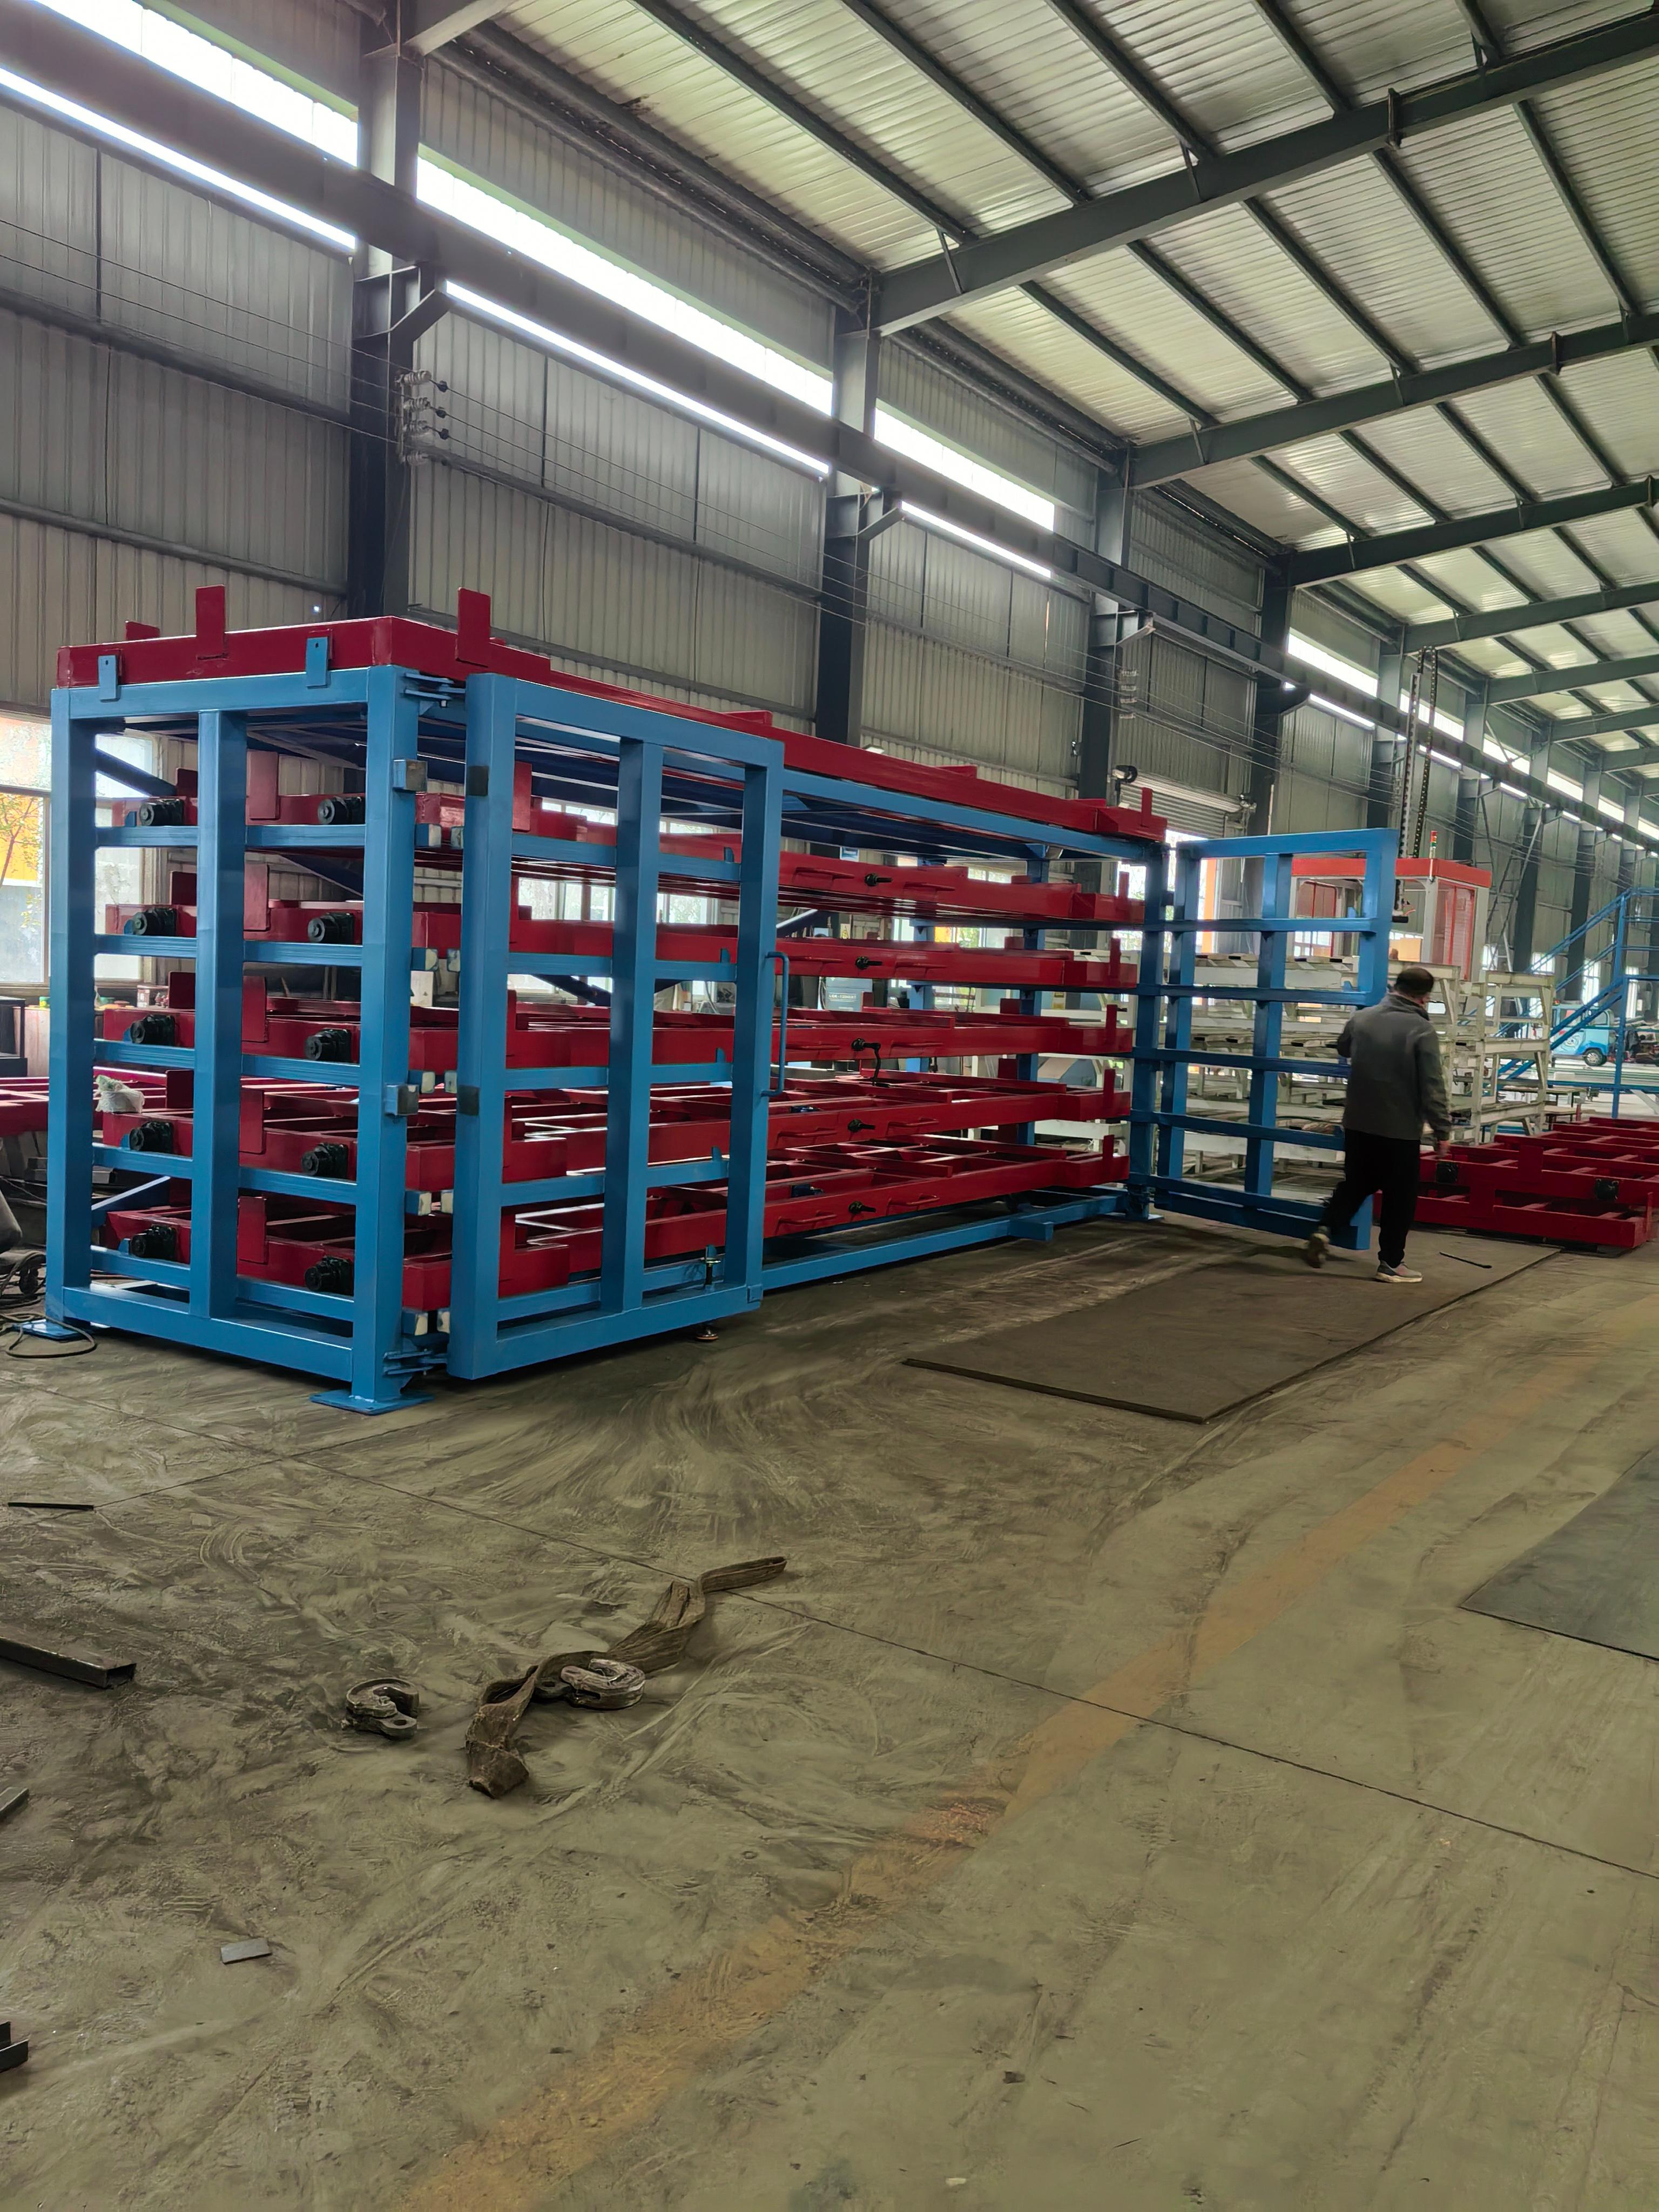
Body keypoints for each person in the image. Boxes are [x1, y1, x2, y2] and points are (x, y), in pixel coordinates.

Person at [1304, 962, 1452, 1283]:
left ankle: (1325, 1229)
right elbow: (1432, 1085)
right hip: (1399, 1129)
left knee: (1357, 1184)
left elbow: (1343, 1047)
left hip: (1358, 1122)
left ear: (1395, 988)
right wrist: (1442, 1129)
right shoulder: (1421, 1030)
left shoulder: (1362, 1018)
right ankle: (1391, 1263)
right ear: (1424, 998)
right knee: (1400, 1197)